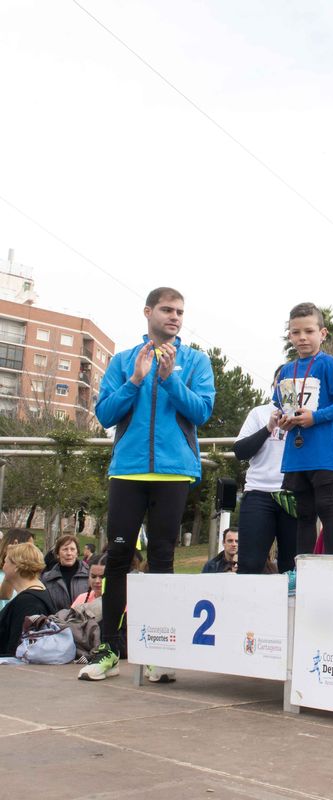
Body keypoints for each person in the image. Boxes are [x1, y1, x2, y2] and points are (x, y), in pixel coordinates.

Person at [79, 286, 216, 682]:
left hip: (174, 473)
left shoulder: (196, 361)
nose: (174, 317)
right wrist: (136, 379)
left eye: (180, 312)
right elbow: (105, 414)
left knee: (162, 558)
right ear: (148, 312)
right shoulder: (124, 360)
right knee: (118, 558)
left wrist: (170, 380)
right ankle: (109, 651)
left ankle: (158, 651)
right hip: (128, 472)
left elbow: (202, 412)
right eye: (167, 310)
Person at [275, 302, 333, 556]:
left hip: (324, 451)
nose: (302, 337)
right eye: (296, 332)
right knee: (304, 513)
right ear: (289, 335)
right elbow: (282, 407)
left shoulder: (329, 364)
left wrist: (317, 417)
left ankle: (330, 563)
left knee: (326, 507)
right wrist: (283, 420)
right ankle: (302, 565)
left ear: (322, 333)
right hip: (297, 453)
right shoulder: (286, 370)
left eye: (309, 331)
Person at [233, 374, 297, 574]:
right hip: (259, 492)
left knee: (293, 566)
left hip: (294, 495)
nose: (287, 384)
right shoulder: (259, 413)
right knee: (250, 564)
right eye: (282, 380)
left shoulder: (307, 416)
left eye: (293, 380)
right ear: (274, 384)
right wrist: (269, 427)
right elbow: (240, 451)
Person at [0, 542, 55, 657]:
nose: (3, 566)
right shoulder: (39, 591)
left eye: (6, 561)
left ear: (16, 567)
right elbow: (4, 594)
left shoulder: (27, 602)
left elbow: (17, 649)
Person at [42, 534, 89, 610]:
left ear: (77, 553)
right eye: (65, 549)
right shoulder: (47, 578)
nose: (69, 553)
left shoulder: (90, 575)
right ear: (57, 554)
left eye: (72, 549)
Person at [0, 528, 35, 610]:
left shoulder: (24, 574)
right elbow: (5, 595)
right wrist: (12, 560)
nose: (33, 551)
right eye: (29, 547)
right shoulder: (6, 574)